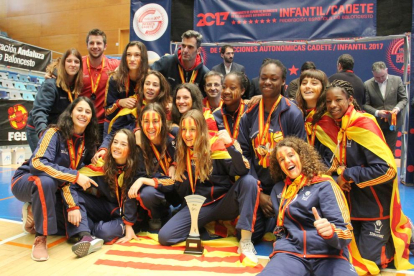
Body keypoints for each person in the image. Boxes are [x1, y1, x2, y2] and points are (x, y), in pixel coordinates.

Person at [138, 110, 260, 263]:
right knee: (165, 236)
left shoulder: (217, 145)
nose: (187, 134)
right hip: (200, 206)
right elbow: (176, 185)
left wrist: (230, 145)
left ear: (202, 129)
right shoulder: (182, 153)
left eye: (192, 129)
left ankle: (246, 242)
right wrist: (147, 180)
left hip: (224, 202)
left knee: (249, 181)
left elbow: (242, 170)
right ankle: (206, 230)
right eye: (184, 130)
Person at [325, 80, 414, 271]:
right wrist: (336, 175)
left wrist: (347, 174)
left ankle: (404, 230)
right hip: (352, 207)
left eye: (338, 99)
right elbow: (337, 164)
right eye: (328, 101)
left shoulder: (363, 123)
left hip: (375, 207)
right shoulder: (340, 127)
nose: (333, 105)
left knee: (371, 262)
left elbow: (388, 170)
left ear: (350, 100)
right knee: (344, 256)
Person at [11, 97, 101, 261]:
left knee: (63, 193)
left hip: (56, 183)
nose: (83, 114)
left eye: (88, 112)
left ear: (91, 118)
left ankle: (34, 212)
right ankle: (40, 238)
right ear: (71, 113)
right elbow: (37, 163)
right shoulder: (53, 133)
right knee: (45, 181)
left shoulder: (84, 143)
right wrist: (75, 176)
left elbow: (67, 177)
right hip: (27, 179)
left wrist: (73, 205)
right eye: (79, 110)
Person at [258, 136, 357, 276]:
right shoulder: (279, 190)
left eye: (291, 155)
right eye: (281, 159)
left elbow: (346, 232)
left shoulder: (325, 185)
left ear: (302, 156)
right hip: (291, 254)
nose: (287, 161)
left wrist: (331, 232)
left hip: (328, 256)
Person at [238, 59, 306, 233]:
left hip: (284, 185)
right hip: (257, 185)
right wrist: (258, 193)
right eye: (264, 77)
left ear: (283, 81)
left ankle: (277, 214)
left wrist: (282, 190)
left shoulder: (293, 113)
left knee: (284, 233)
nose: (267, 82)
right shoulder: (248, 115)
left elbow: (300, 157)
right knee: (248, 235)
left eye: (273, 78)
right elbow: (244, 155)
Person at [65, 129, 140, 253]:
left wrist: (129, 224)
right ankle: (85, 235)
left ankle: (86, 228)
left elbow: (131, 200)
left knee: (103, 232)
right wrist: (73, 208)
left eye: (123, 144)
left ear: (131, 149)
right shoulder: (101, 165)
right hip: (109, 208)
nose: (117, 146)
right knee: (77, 196)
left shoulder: (136, 168)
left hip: (129, 216)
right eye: (115, 142)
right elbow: (72, 182)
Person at [119, 103, 179, 238]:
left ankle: (180, 211)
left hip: (178, 189)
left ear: (163, 122)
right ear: (140, 123)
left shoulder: (175, 134)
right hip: (158, 189)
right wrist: (128, 224)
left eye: (155, 121)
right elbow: (132, 180)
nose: (150, 126)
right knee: (147, 193)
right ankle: (158, 215)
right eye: (146, 121)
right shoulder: (139, 145)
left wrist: (174, 164)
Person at [93, 71, 171, 162]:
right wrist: (103, 149)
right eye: (147, 84)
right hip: (129, 156)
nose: (150, 88)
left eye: (155, 85)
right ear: (142, 87)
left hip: (159, 158)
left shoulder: (167, 109)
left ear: (161, 89)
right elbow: (114, 133)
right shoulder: (131, 105)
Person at [27, 48, 83, 152]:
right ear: (63, 63)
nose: (73, 64)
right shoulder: (51, 84)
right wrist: (43, 133)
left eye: (76, 61)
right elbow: (39, 111)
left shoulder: (76, 87)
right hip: (39, 130)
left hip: (57, 131)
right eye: (69, 61)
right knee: (41, 163)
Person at [81, 29, 120, 143]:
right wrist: (52, 73)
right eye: (91, 43)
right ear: (87, 45)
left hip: (104, 122)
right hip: (84, 120)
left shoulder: (113, 65)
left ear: (105, 46)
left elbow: (136, 64)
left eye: (98, 43)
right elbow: (60, 67)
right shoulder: (79, 64)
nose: (95, 46)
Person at [104, 41, 149, 138]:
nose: (132, 59)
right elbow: (107, 111)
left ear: (143, 58)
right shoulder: (115, 79)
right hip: (116, 125)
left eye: (137, 55)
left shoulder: (149, 78)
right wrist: (119, 103)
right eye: (129, 55)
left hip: (140, 124)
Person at [364, 61, 408, 155]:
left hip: (392, 122)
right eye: (377, 77)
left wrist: (397, 109)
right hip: (375, 124)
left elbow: (403, 99)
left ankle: (390, 169)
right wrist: (377, 112)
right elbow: (365, 105)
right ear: (373, 74)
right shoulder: (367, 85)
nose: (380, 79)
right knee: (376, 151)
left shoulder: (397, 80)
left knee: (390, 151)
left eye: (383, 76)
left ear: (386, 70)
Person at [151, 30, 209, 96]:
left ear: (198, 50)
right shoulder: (167, 62)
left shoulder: (204, 73)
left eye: (190, 47)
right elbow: (147, 73)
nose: (185, 50)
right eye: (183, 46)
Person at [295, 69, 329, 145]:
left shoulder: (328, 117)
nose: (307, 86)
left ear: (323, 88)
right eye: (304, 83)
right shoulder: (295, 113)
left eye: (314, 83)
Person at [213, 71, 248, 140]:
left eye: (232, 88)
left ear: (242, 91)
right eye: (224, 87)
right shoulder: (215, 116)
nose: (226, 91)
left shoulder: (249, 112)